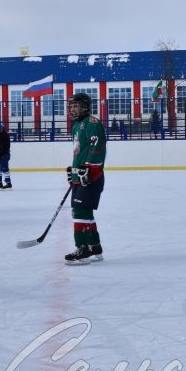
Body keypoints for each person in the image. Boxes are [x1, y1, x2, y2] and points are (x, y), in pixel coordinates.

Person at [65, 92, 106, 265]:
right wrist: (74, 171)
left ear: (85, 107)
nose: (73, 109)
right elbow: (79, 151)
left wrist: (88, 170)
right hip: (80, 176)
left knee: (80, 211)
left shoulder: (92, 123)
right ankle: (94, 246)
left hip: (91, 177)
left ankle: (82, 248)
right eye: (71, 106)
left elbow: (98, 148)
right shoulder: (76, 126)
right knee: (85, 212)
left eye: (76, 105)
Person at [0, 121, 12, 189]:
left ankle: (8, 183)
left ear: (0, 129)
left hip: (4, 154)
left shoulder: (5, 135)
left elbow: (6, 146)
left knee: (4, 168)